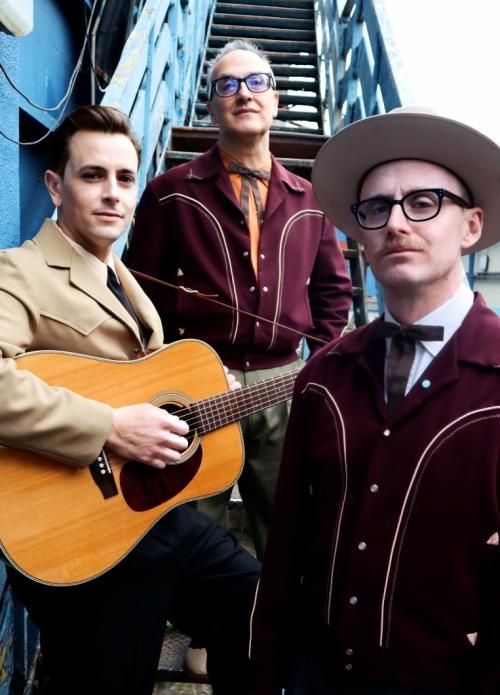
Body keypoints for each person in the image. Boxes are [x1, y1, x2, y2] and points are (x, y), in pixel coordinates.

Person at [0, 104, 260, 695]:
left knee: (257, 605)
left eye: (125, 178)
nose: (113, 193)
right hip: (72, 534)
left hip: (149, 515)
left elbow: (137, 384)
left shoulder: (126, 278)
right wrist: (108, 427)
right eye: (93, 176)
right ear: (54, 186)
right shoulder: (18, 271)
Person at [250, 106, 500, 694]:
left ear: (471, 226)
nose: (396, 223)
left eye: (424, 203)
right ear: (358, 231)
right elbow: (285, 546)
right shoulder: (323, 377)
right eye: (377, 208)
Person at [125, 39, 352, 564]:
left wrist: (315, 366)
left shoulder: (311, 197)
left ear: (274, 101)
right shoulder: (170, 192)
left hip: (283, 383)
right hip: (201, 385)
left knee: (289, 520)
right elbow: (140, 296)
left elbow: (334, 293)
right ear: (210, 104)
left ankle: (280, 636)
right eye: (227, 84)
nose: (243, 94)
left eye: (256, 83)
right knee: (194, 524)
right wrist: (166, 373)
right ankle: (204, 638)